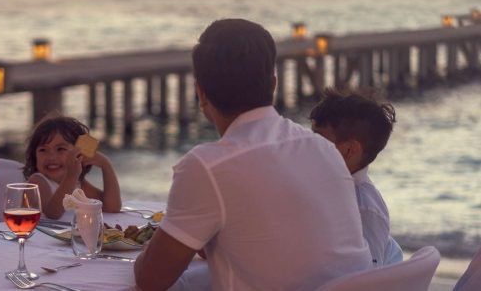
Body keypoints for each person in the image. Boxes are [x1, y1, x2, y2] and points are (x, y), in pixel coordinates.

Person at [134, 19, 372, 290]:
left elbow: (150, 280)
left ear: (200, 94)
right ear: (273, 84)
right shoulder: (324, 150)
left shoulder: (207, 167)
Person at [309, 87, 403, 266]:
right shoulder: (326, 182)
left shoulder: (363, 207)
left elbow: (369, 276)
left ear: (350, 150)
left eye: (317, 138)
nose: (307, 143)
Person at [22, 115, 121, 219]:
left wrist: (106, 165)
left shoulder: (77, 183)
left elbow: (112, 208)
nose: (51, 157)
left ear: (79, 153)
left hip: (66, 234)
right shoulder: (37, 181)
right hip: (37, 235)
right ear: (34, 155)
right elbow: (53, 213)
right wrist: (71, 175)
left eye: (60, 149)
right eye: (43, 150)